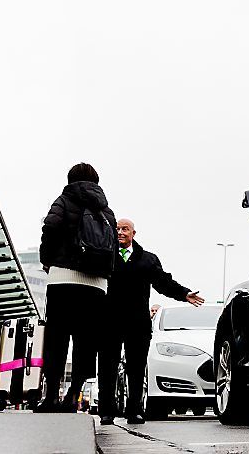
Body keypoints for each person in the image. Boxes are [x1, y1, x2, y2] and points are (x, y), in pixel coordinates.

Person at [98, 218, 204, 425]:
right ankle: (106, 412)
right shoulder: (103, 257)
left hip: (138, 322)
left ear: (133, 234)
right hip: (109, 321)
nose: (120, 232)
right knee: (107, 367)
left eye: (125, 229)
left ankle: (135, 411)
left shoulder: (147, 259)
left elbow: (163, 282)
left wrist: (184, 294)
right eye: (117, 229)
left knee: (136, 368)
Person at [36, 163, 117, 413]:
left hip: (63, 279)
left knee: (56, 339)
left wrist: (47, 260)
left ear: (70, 179)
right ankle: (73, 395)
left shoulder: (63, 200)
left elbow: (49, 228)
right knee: (85, 341)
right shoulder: (106, 210)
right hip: (95, 285)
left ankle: (50, 396)